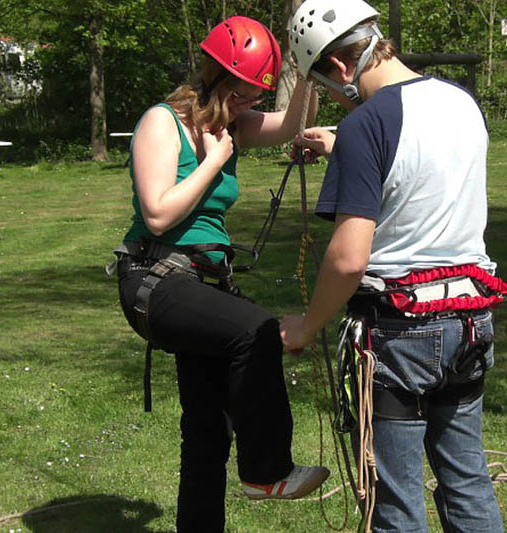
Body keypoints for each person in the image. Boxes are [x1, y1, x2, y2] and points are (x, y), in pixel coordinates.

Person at [279, 1, 507, 531]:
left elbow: (348, 257)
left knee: (394, 502)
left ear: (338, 67)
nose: (336, 99)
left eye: (327, 87)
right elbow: (418, 172)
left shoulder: (367, 124)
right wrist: (347, 149)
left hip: (400, 334)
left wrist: (307, 326)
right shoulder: (460, 102)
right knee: (467, 482)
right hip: (469, 319)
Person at [115, 16, 328, 533]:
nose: (250, 103)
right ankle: (266, 471)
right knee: (256, 332)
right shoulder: (163, 123)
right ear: (214, 76)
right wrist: (213, 163)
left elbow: (290, 125)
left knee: (207, 431)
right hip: (155, 278)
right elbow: (159, 215)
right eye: (244, 91)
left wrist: (306, 69)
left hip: (201, 281)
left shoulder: (230, 123)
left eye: (257, 93)